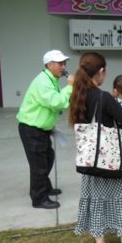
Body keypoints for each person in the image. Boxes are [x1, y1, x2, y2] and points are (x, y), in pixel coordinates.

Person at [70, 52, 122, 243]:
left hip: (91, 163)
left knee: (97, 202)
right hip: (114, 161)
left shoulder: (78, 96)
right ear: (101, 72)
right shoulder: (104, 97)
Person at [17, 49, 74, 209]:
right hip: (31, 129)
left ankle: (44, 187)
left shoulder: (51, 79)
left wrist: (49, 126)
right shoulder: (43, 82)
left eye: (64, 63)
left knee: (48, 157)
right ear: (49, 65)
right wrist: (70, 87)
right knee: (39, 164)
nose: (63, 67)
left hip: (41, 128)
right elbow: (56, 102)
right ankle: (39, 198)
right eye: (60, 63)